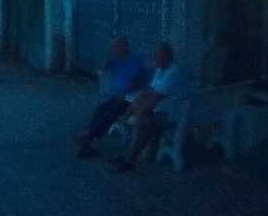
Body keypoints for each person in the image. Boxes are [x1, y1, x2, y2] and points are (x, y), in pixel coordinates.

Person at [108, 41, 187, 173]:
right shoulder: (160, 70)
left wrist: (137, 110)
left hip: (171, 114)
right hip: (158, 111)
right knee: (142, 118)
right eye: (154, 56)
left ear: (167, 56)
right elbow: (149, 91)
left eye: (158, 57)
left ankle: (129, 159)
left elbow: (156, 96)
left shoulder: (174, 72)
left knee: (142, 121)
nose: (154, 59)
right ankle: (130, 158)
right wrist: (137, 106)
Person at [74, 35, 145, 159]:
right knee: (100, 109)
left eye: (117, 47)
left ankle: (87, 136)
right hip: (117, 95)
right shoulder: (116, 60)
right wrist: (106, 59)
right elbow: (102, 69)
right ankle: (87, 139)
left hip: (130, 98)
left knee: (111, 112)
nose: (114, 49)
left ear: (125, 47)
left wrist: (124, 92)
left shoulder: (134, 60)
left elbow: (136, 80)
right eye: (113, 47)